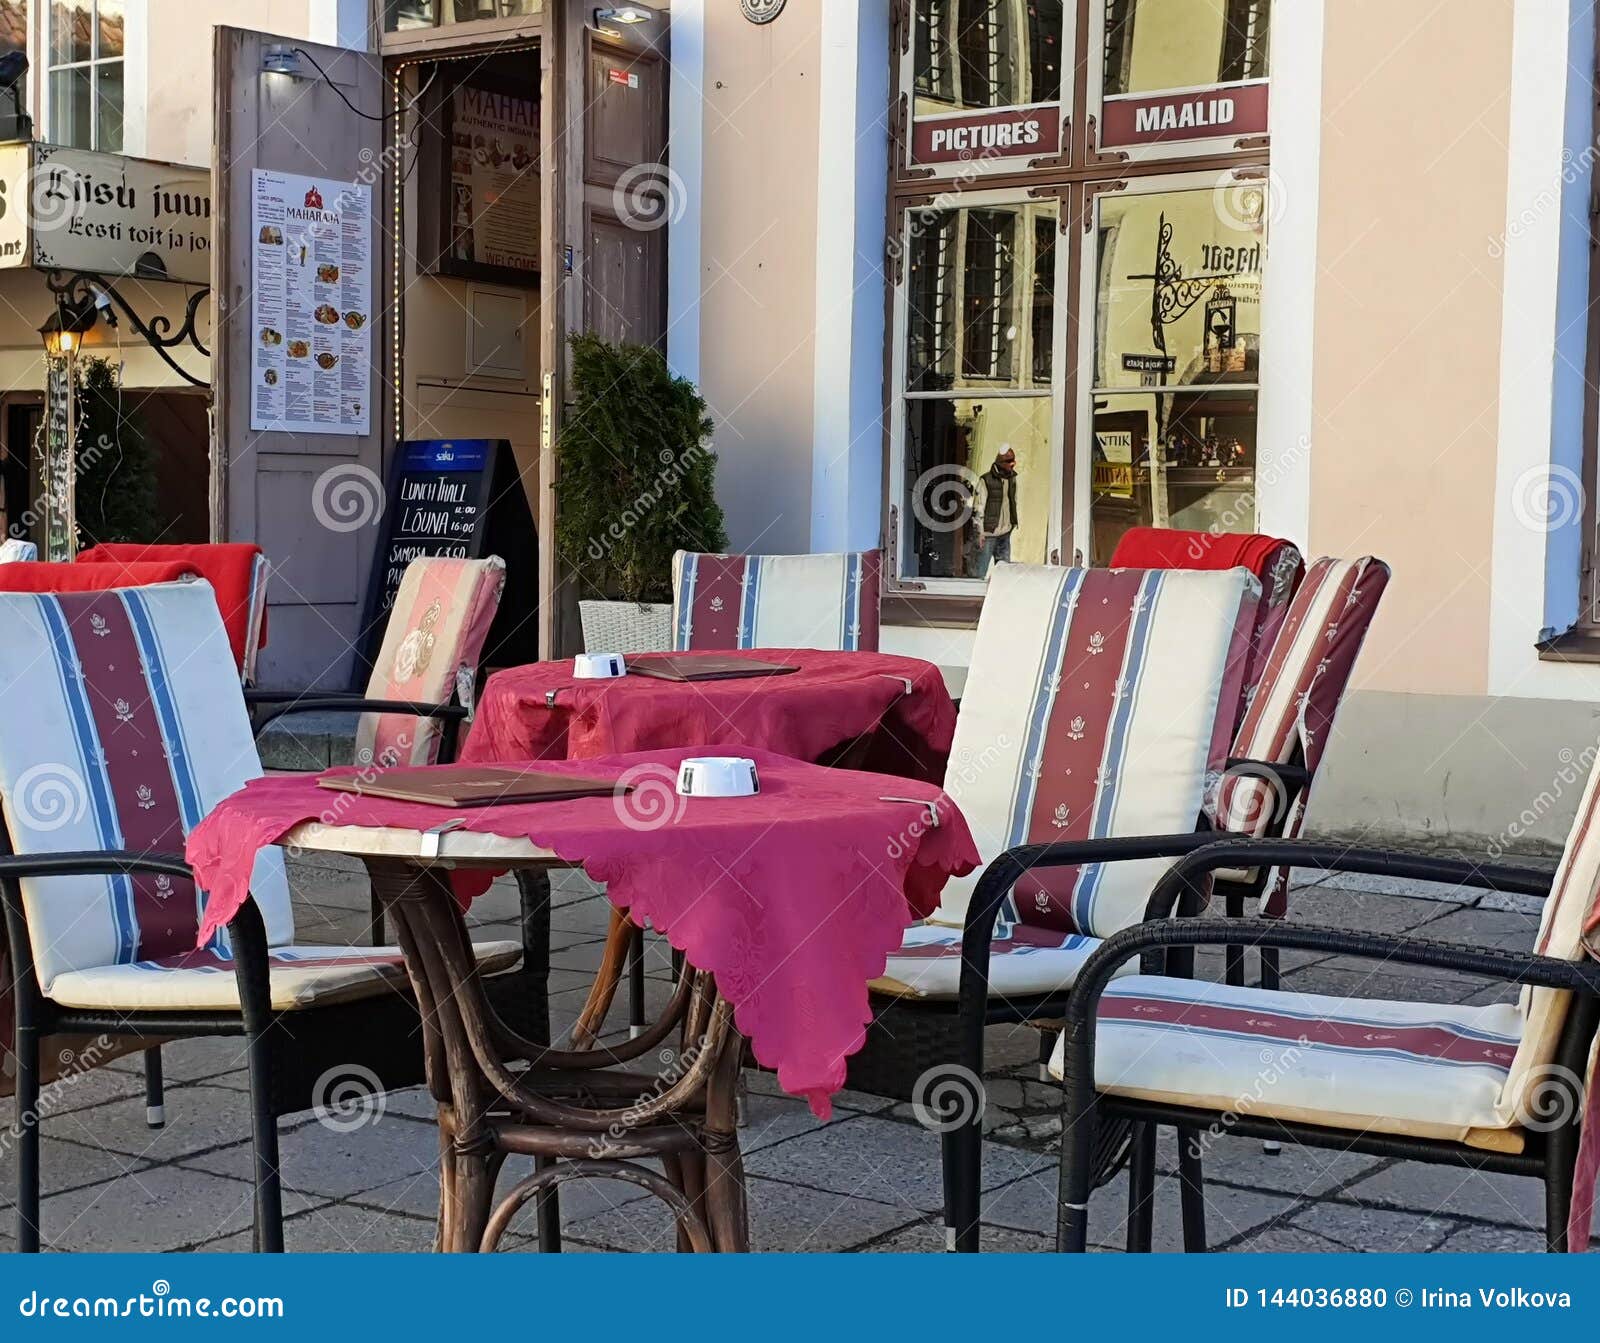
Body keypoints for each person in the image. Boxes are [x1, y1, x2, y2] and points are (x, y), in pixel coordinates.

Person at [972, 446, 1018, 577]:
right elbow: (979, 507)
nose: (1013, 464)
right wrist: (980, 533)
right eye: (1010, 460)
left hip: (1005, 533)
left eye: (1013, 460)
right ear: (1000, 462)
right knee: (979, 573)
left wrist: (1012, 524)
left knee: (1004, 575)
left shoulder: (1012, 479)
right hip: (988, 533)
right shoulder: (985, 480)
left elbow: (1013, 501)